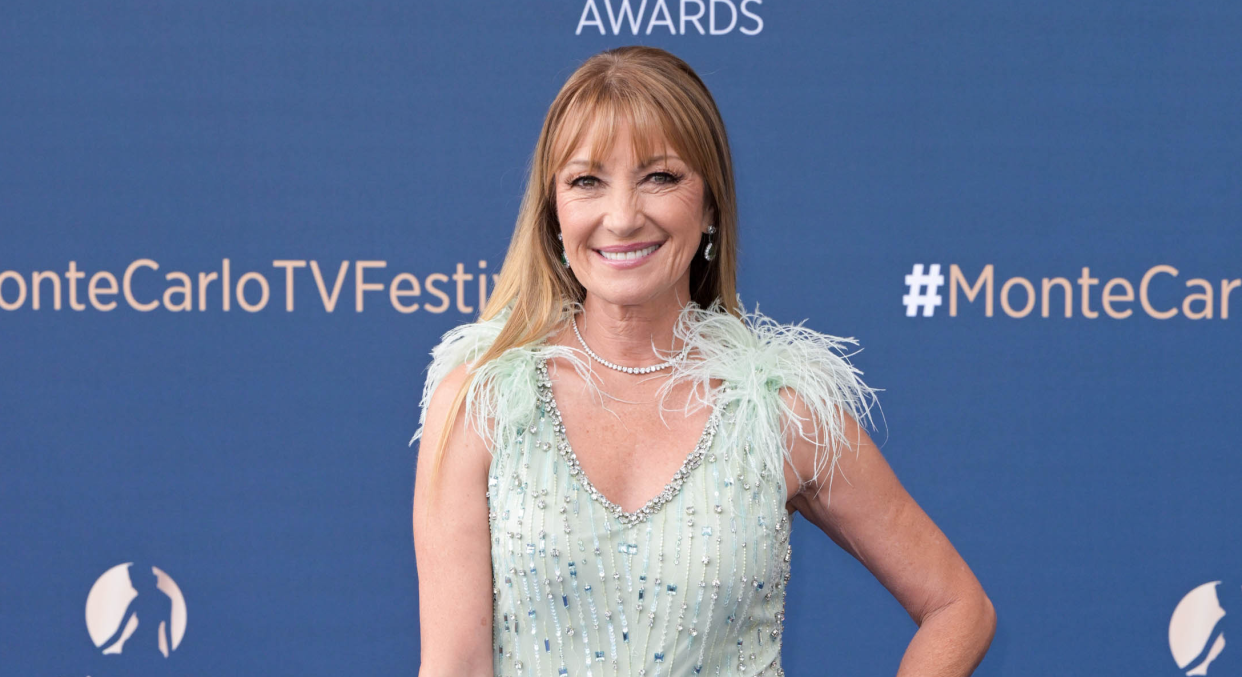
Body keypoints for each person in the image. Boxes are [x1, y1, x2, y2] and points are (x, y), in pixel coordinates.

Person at [411, 45, 995, 677]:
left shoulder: (778, 409)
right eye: (586, 181)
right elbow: (454, 667)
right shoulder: (481, 403)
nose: (623, 216)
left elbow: (957, 606)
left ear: (711, 203)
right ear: (553, 211)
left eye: (660, 177)